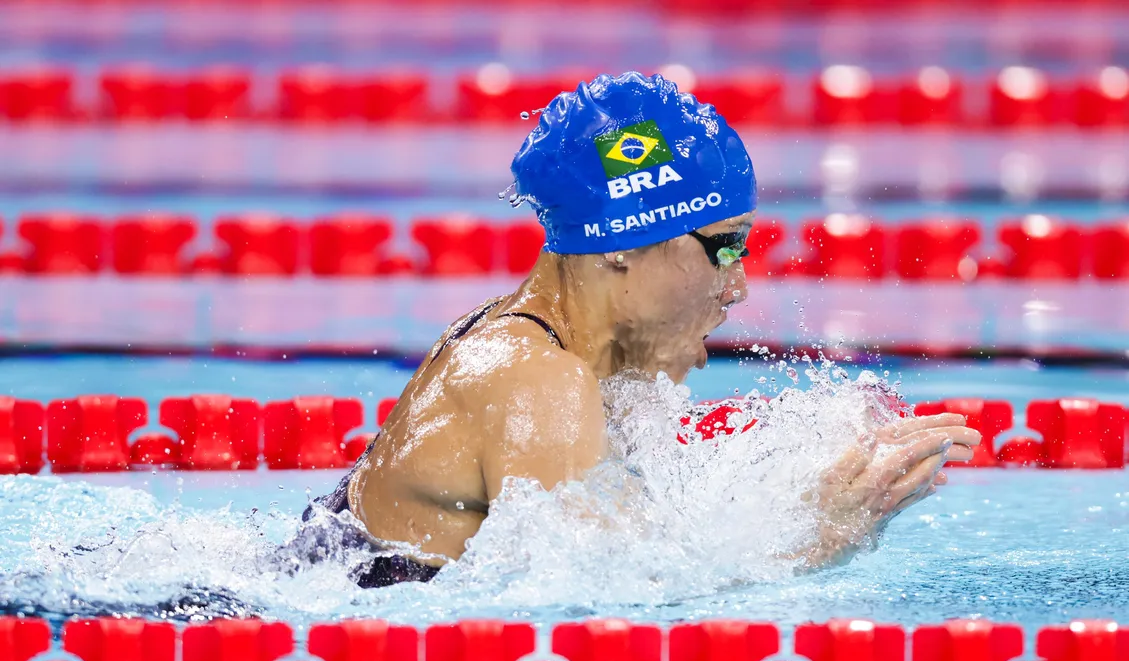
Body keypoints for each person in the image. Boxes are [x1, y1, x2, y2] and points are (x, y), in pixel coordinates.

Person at [303, 72, 981, 587]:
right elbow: (602, 608)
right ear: (624, 243)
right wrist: (818, 542)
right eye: (723, 247)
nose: (737, 284)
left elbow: (629, 555)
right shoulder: (535, 379)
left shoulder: (520, 339)